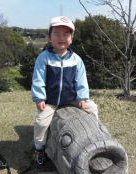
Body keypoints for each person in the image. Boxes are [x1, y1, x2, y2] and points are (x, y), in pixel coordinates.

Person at [31, 16, 98, 165]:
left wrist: (82, 97)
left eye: (66, 34)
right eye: (57, 34)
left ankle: (94, 134)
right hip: (51, 100)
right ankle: (39, 149)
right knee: (41, 123)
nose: (61, 37)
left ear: (72, 38)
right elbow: (38, 79)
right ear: (49, 37)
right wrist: (39, 98)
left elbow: (81, 80)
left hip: (72, 98)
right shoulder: (44, 58)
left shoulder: (76, 60)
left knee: (93, 108)